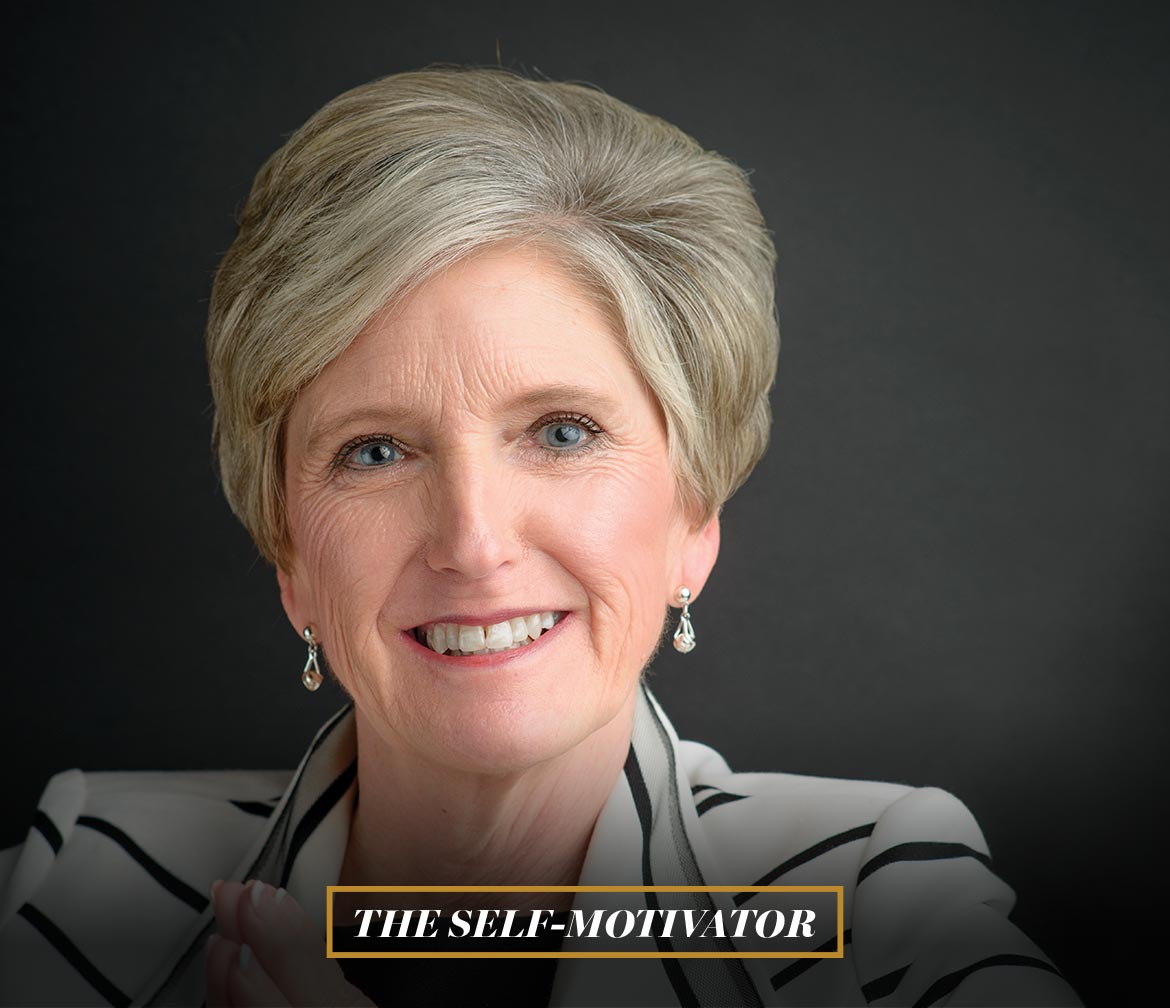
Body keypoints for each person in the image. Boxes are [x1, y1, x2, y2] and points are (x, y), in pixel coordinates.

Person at [0, 66, 1080, 1007]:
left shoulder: (869, 896)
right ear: (290, 555)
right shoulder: (71, 879)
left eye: (562, 432)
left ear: (693, 518)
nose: (472, 543)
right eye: (375, 451)